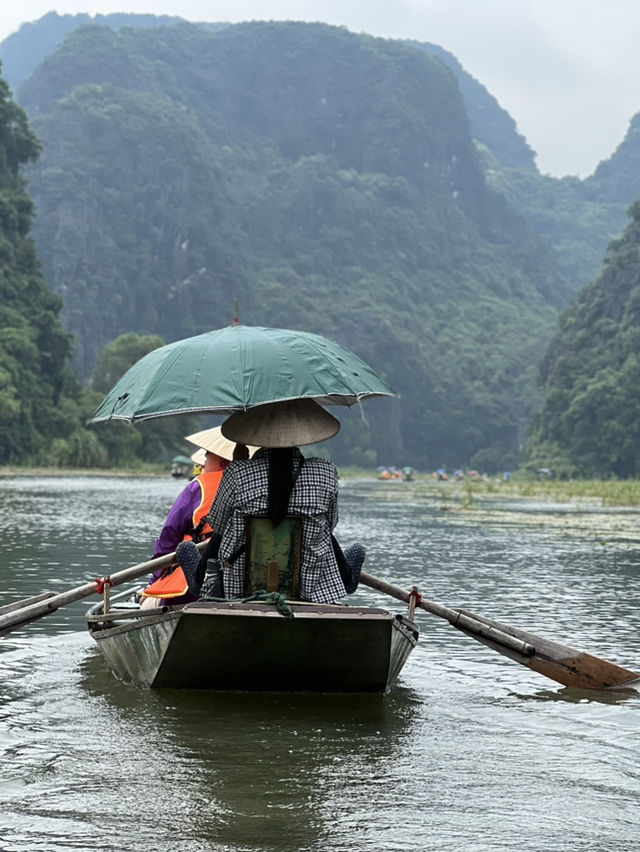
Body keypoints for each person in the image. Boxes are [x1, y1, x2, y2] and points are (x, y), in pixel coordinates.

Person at [175, 399, 365, 604]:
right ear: (300, 432)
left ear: (257, 433)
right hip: (309, 587)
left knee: (186, 549)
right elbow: (330, 523)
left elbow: (219, 524)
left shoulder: (238, 472)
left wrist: (240, 465)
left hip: (239, 588)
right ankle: (346, 579)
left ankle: (197, 580)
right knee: (339, 540)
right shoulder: (325, 471)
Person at [141, 427, 253, 604]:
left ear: (222, 461)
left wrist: (156, 580)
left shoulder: (198, 487)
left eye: (208, 455)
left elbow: (168, 537)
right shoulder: (259, 487)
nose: (204, 461)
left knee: (147, 603)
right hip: (249, 581)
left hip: (196, 587)